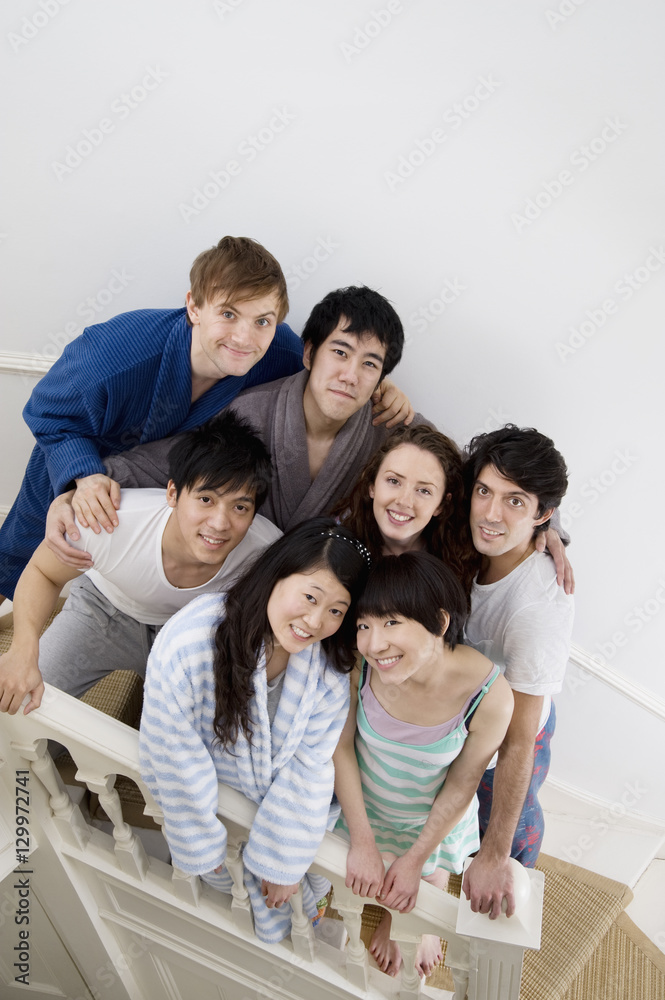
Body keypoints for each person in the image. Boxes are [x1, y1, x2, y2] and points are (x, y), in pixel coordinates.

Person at [0, 236, 299, 603]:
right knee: (25, 546)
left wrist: (384, 393)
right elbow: (46, 409)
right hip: (87, 450)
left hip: (166, 480)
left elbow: (329, 373)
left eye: (263, 321)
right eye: (228, 314)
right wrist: (83, 475)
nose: (244, 337)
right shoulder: (115, 354)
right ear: (194, 306)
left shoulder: (279, 350)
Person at [46, 285, 422, 556]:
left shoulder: (389, 425)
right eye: (340, 352)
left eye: (369, 364)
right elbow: (156, 463)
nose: (350, 375)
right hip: (226, 588)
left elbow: (446, 468)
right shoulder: (250, 412)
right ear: (308, 353)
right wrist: (78, 488)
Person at [139, 518, 370, 944]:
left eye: (336, 611)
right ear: (276, 574)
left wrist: (281, 858)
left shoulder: (324, 673)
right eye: (309, 597)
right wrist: (201, 843)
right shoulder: (192, 644)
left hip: (285, 821)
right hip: (216, 822)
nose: (316, 621)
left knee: (297, 912)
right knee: (222, 927)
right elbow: (171, 752)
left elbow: (311, 765)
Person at [0, 412, 280, 715]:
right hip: (105, 609)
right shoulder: (113, 522)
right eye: (206, 500)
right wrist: (23, 649)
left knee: (215, 730)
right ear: (173, 493)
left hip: (192, 636)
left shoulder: (266, 553)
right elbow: (43, 571)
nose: (220, 523)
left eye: (240, 506)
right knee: (21, 707)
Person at [333, 553, 513, 978]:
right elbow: (340, 749)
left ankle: (409, 920)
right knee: (343, 884)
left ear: (439, 622)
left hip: (431, 822)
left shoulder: (489, 695)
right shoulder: (360, 664)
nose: (374, 644)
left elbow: (462, 785)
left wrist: (415, 859)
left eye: (392, 622)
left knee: (423, 884)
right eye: (364, 624)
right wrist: (362, 839)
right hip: (364, 805)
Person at [461, 425, 575, 919]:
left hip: (516, 728)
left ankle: (511, 889)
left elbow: (519, 741)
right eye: (485, 491)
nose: (490, 513)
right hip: (466, 706)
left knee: (508, 822)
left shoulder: (536, 609)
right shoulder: (465, 536)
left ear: (542, 513)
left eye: (515, 501)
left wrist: (494, 854)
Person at [334, 424, 479, 601]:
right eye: (393, 481)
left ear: (441, 505)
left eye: (424, 491)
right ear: (372, 485)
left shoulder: (458, 564)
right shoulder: (335, 548)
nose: (404, 501)